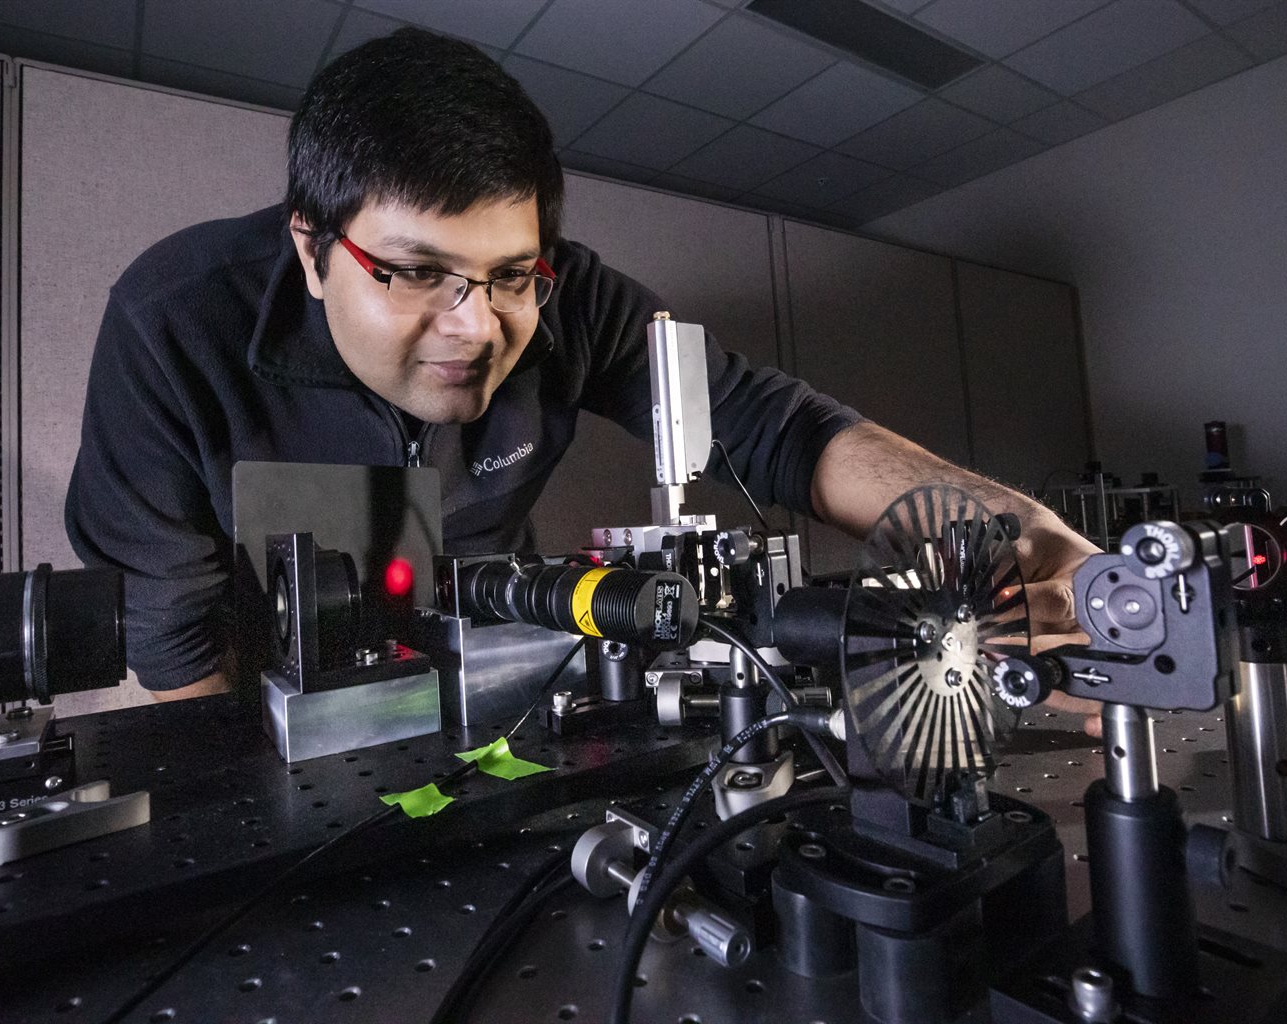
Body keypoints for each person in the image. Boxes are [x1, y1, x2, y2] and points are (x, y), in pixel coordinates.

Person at [65, 27, 1100, 731]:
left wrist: (1016, 533)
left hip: (486, 672)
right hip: (256, 697)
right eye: (418, 272)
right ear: (311, 247)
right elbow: (175, 645)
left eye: (510, 275)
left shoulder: (570, 298)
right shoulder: (172, 325)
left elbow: (772, 427)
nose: (474, 327)